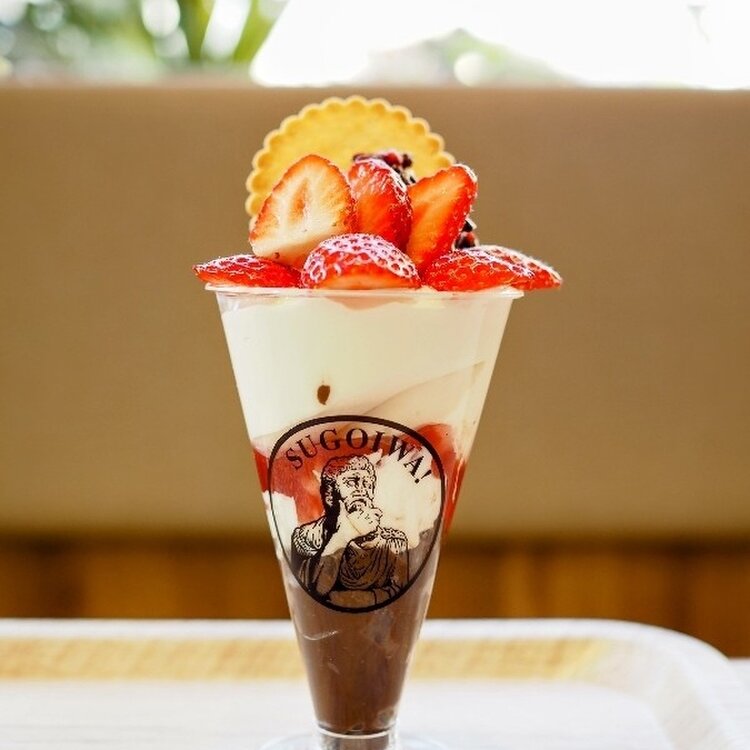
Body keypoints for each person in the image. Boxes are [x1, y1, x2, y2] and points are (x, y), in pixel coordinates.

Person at [291, 455, 409, 608]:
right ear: (331, 493)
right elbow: (314, 591)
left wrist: (347, 598)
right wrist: (344, 534)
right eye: (352, 482)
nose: (361, 490)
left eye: (367, 484)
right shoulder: (306, 539)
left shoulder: (393, 542)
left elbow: (401, 597)